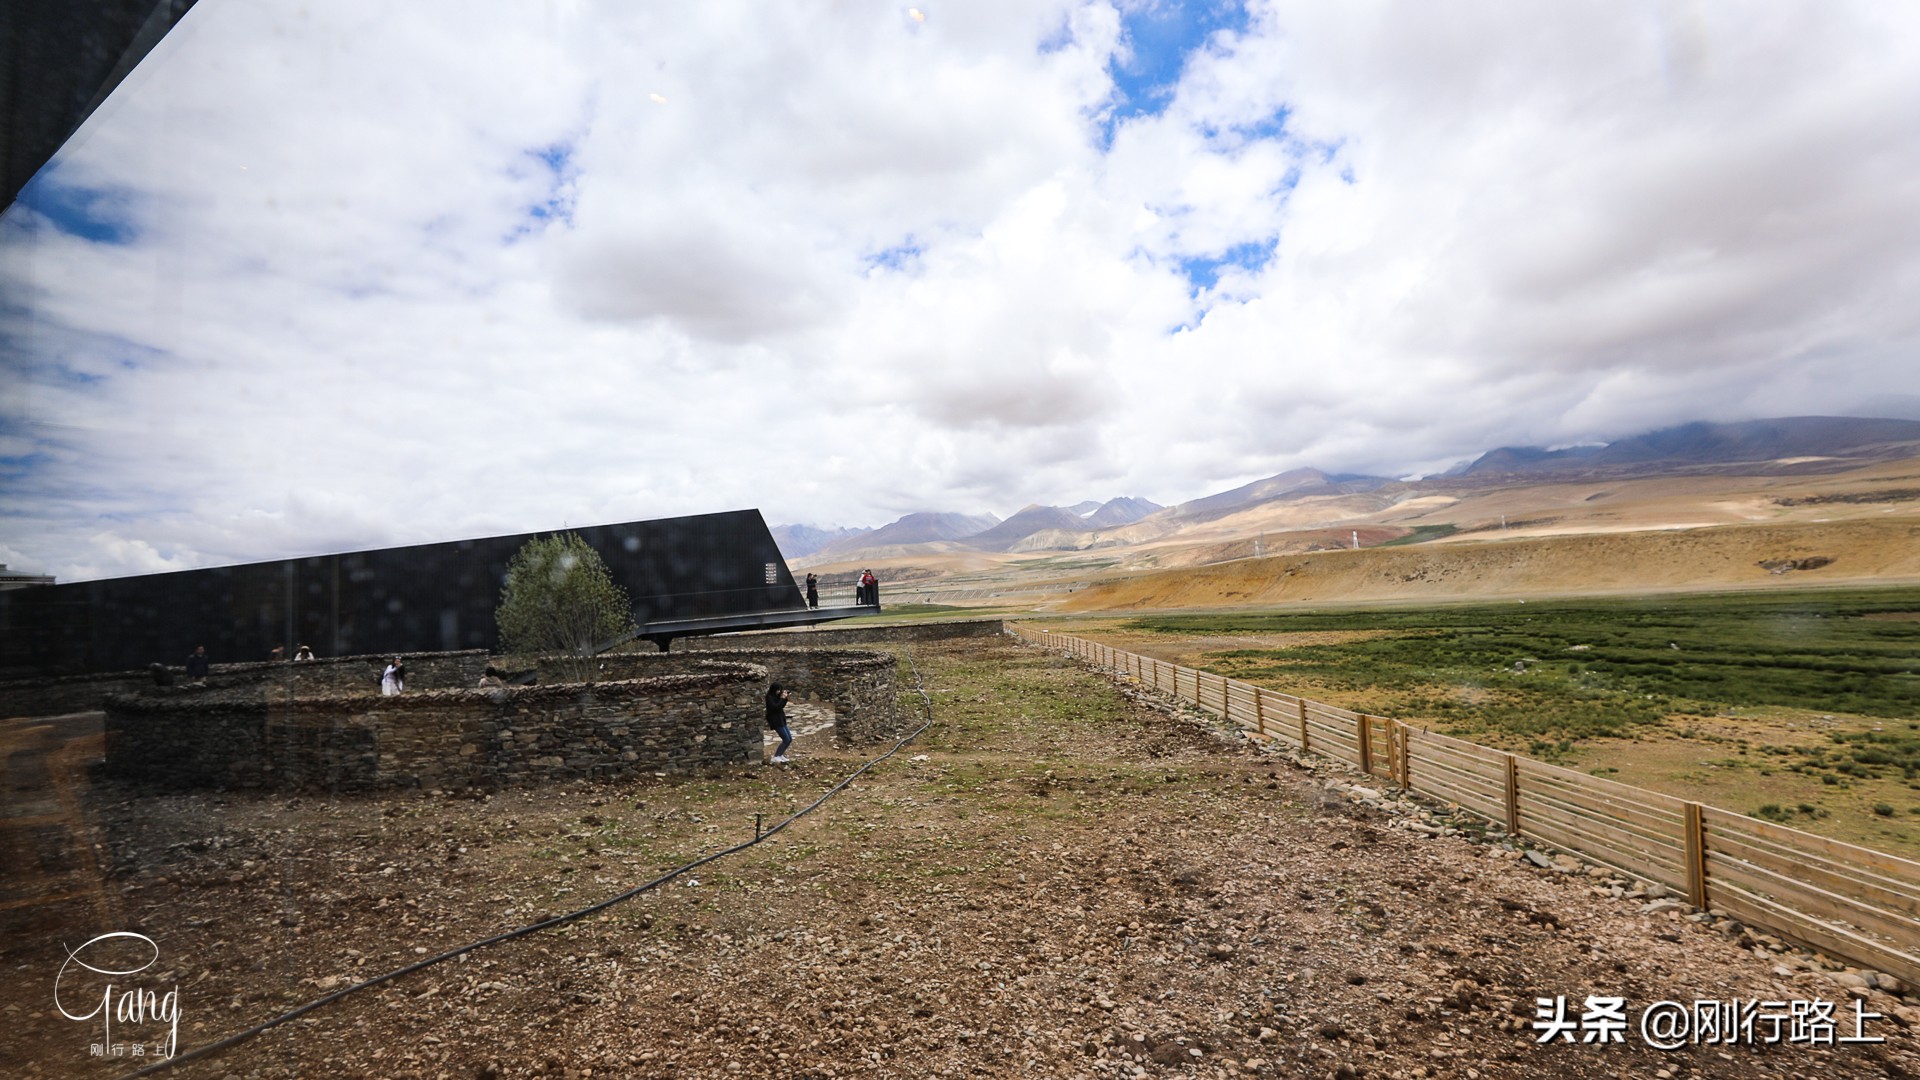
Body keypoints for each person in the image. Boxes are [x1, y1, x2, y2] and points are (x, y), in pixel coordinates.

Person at [766, 682, 793, 764]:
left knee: (789, 739)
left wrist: (785, 698)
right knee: (786, 739)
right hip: (775, 720)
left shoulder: (776, 697)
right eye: (778, 690)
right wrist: (782, 699)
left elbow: (781, 706)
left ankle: (780, 754)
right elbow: (776, 707)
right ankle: (776, 756)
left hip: (781, 719)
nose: (779, 692)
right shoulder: (769, 698)